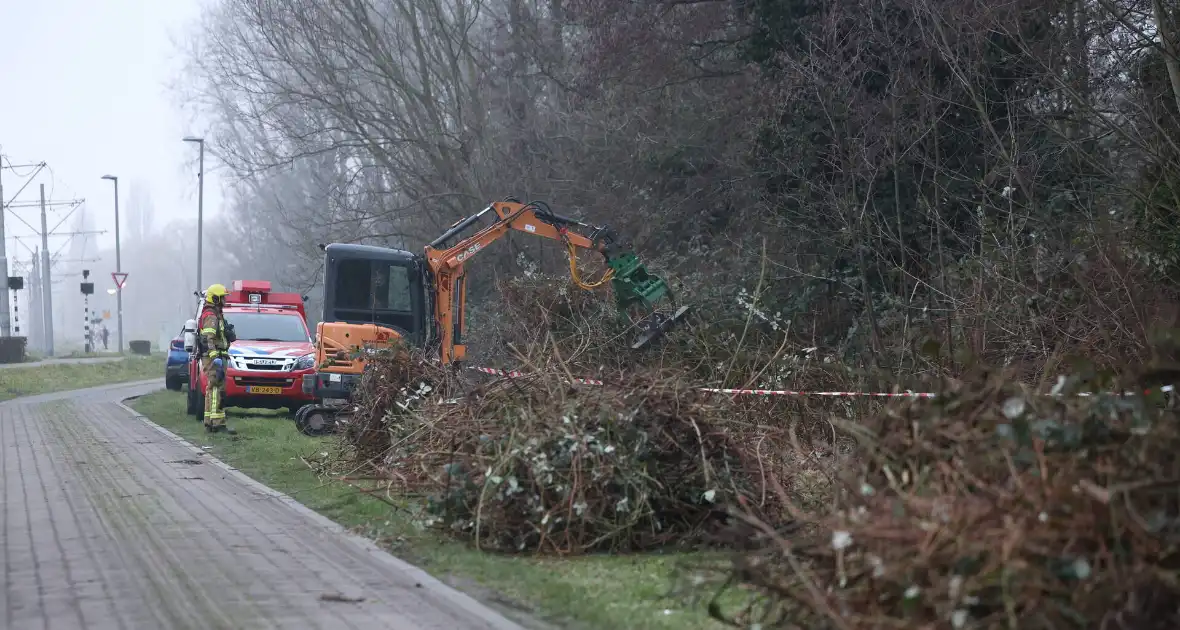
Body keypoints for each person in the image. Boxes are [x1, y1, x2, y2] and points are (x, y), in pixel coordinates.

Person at [199, 283, 236, 434]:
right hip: (214, 357)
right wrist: (215, 358)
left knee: (211, 388)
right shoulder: (211, 316)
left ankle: (209, 422)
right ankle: (217, 423)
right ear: (215, 298)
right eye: (222, 298)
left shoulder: (215, 313)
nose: (224, 301)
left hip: (216, 355)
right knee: (216, 388)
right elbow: (209, 339)